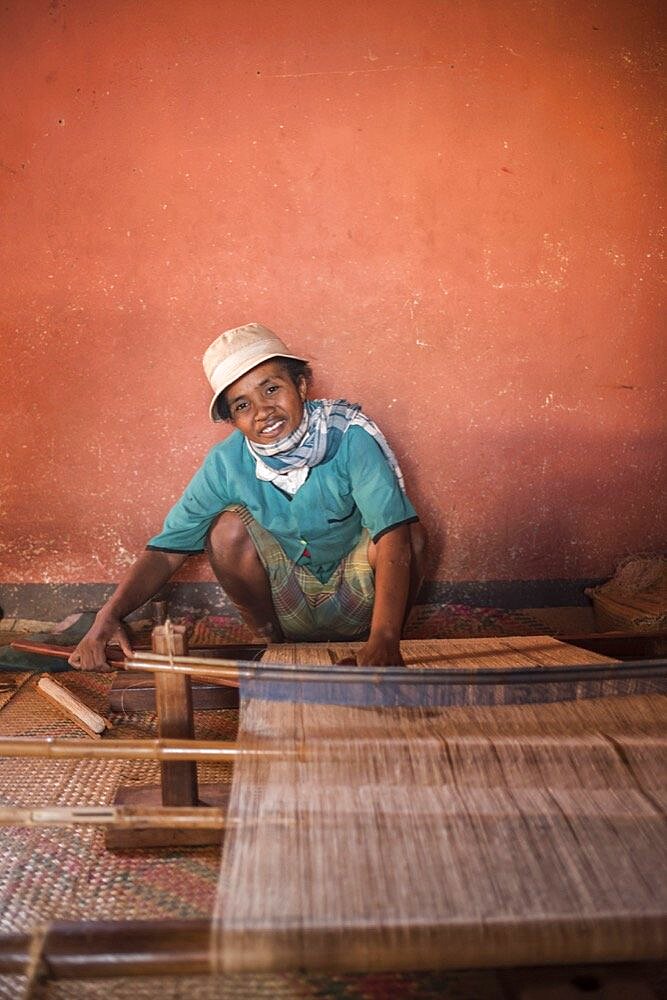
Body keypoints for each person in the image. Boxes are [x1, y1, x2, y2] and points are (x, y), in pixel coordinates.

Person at [69, 323, 427, 670]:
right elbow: (166, 552)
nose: (262, 412)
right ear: (233, 420)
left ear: (301, 385)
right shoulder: (227, 462)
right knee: (226, 529)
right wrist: (109, 614)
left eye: (271, 389)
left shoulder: (349, 436)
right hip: (289, 605)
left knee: (408, 533)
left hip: (363, 598)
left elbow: (392, 536)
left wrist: (384, 639)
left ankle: (383, 638)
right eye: (242, 406)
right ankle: (271, 643)